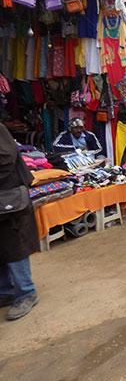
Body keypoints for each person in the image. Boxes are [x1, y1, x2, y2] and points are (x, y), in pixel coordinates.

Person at [0, 123, 39, 321]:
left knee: (15, 245)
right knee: (2, 247)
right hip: (6, 197)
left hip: (10, 197)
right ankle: (5, 291)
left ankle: (26, 292)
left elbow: (6, 158)